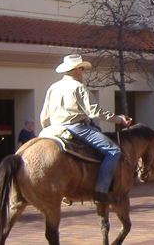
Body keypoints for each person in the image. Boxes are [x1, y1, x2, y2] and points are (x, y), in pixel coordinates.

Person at [40, 54, 132, 204]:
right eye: (82, 69)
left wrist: (46, 131)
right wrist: (118, 119)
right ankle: (100, 191)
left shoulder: (53, 87)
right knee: (113, 151)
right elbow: (94, 112)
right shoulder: (79, 87)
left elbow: (44, 116)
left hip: (53, 129)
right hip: (77, 128)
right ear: (77, 69)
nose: (82, 72)